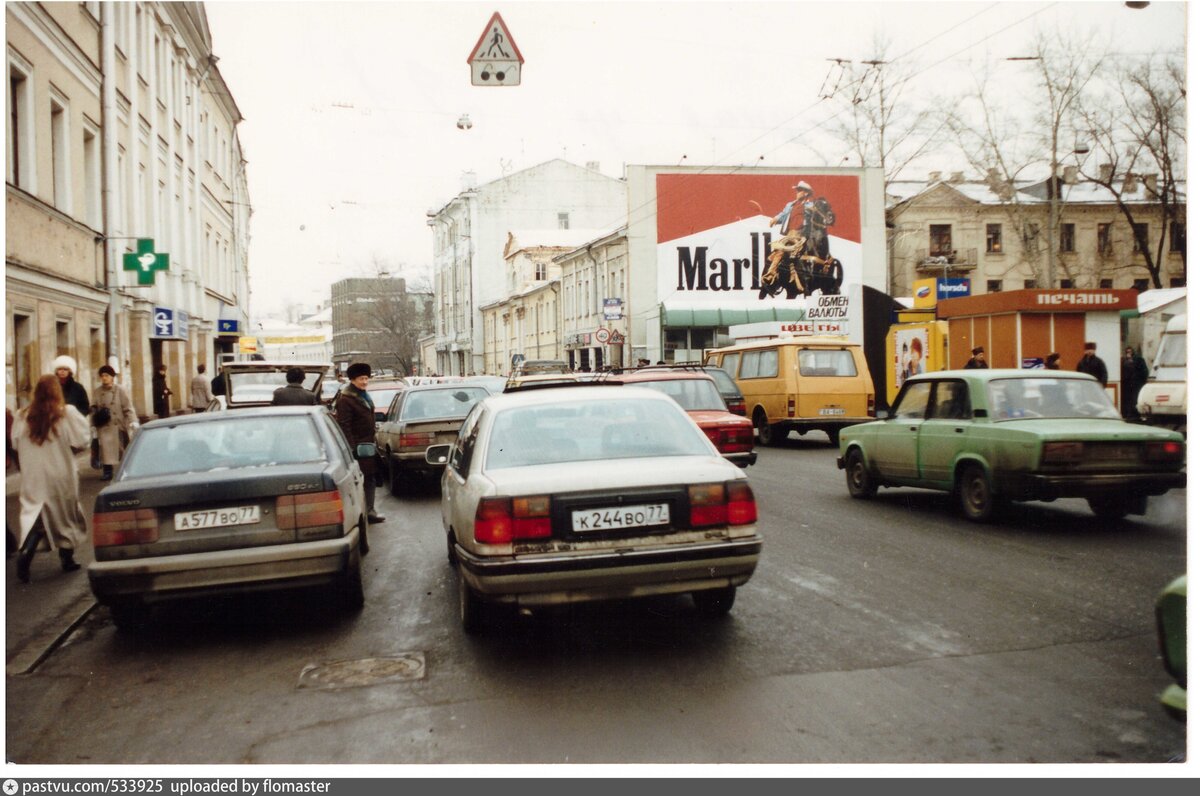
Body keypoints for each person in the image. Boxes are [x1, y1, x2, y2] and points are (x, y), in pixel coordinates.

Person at [10, 374, 90, 582]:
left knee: (37, 516)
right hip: (60, 474)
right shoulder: (66, 413)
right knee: (65, 515)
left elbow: (15, 443)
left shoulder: (22, 415)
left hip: (33, 476)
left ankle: (26, 551)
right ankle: (67, 559)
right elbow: (82, 440)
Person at [335, 363, 384, 524]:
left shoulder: (363, 396)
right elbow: (344, 425)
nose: (364, 382)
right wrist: (352, 449)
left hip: (367, 446)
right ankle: (361, 512)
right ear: (352, 380)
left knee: (370, 478)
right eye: (361, 379)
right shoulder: (346, 400)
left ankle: (370, 510)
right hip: (358, 448)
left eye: (366, 378)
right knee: (360, 480)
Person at [92, 365, 138, 481]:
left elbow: (128, 407)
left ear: (112, 377)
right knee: (105, 451)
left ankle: (126, 471)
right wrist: (92, 425)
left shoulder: (120, 390)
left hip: (118, 425)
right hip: (103, 426)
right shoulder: (97, 392)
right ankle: (107, 471)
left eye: (106, 375)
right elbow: (93, 409)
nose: (104, 378)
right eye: (102, 376)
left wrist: (133, 421)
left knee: (123, 450)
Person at [1120, 345, 1149, 418]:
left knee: (1135, 399)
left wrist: (1142, 382)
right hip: (1128, 384)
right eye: (1127, 352)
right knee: (1129, 400)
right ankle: (1129, 414)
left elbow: (1144, 372)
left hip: (1136, 384)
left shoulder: (1139, 359)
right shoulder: (1124, 361)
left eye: (1130, 352)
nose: (1128, 353)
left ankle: (1135, 414)